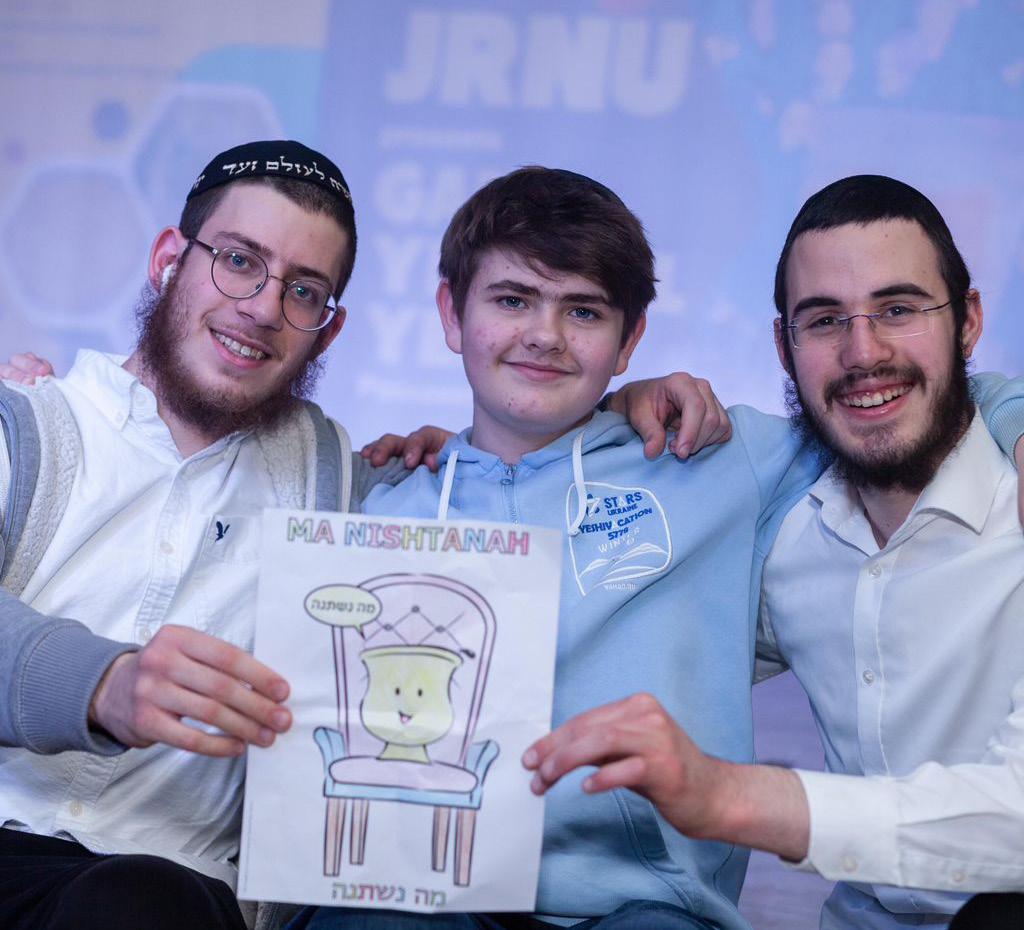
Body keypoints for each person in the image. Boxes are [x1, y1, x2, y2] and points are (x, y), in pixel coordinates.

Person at [286, 169, 1022, 930]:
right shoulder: (374, 499)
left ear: (630, 338)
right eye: (511, 301)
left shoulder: (714, 459)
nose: (544, 335)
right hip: (416, 885)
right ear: (451, 311)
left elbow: (911, 400)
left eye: (584, 311)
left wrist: (1017, 419)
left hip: (646, 905)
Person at [525, 176, 1024, 929]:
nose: (864, 352)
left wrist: (732, 797)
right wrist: (507, 450)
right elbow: (626, 624)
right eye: (824, 320)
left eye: (898, 309)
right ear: (783, 348)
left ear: (969, 321)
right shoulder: (788, 532)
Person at [0, 139, 386, 930]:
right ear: (168, 261)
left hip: (171, 892)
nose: (263, 308)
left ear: (329, 331)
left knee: (135, 903)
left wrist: (624, 406)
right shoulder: (27, 427)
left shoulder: (342, 493)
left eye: (303, 291)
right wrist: (103, 685)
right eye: (239, 261)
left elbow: (516, 464)